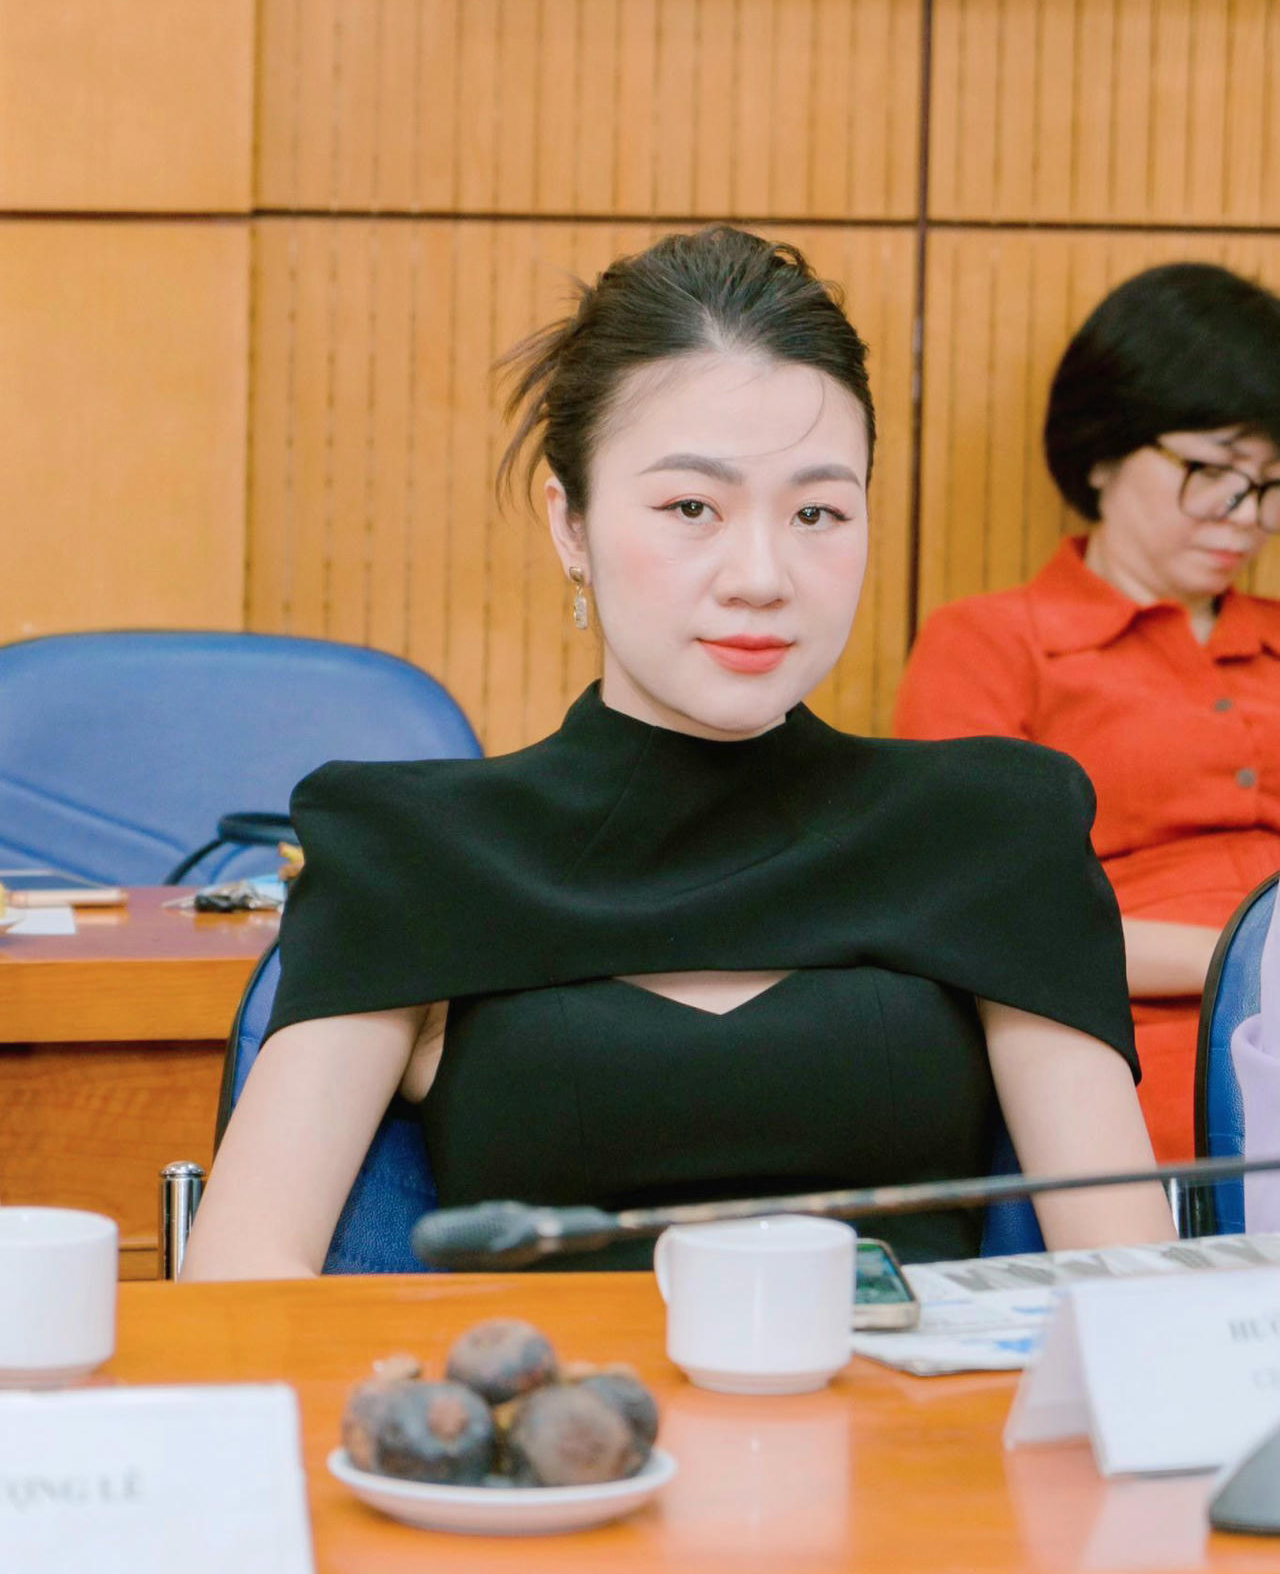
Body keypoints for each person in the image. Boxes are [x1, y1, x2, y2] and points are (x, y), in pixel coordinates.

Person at [181, 226, 1172, 1282]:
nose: (761, 576)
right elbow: (244, 1280)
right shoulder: (412, 850)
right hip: (542, 1390)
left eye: (818, 511)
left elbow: (1129, 1285)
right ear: (570, 524)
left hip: (916, 1388)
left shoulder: (992, 829)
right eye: (691, 507)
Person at [895, 263, 1280, 1163]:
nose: (1245, 516)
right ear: (1105, 453)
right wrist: (1243, 962)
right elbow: (976, 916)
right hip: (1139, 1064)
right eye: (1213, 471)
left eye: (1270, 482)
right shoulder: (994, 642)